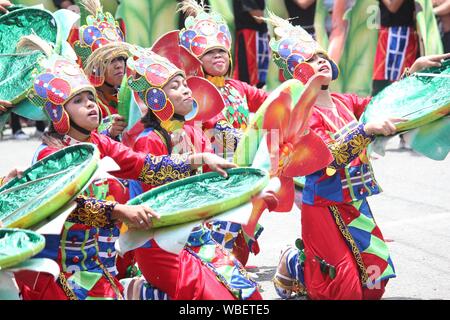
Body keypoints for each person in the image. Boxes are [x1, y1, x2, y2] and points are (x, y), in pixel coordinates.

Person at [13, 38, 234, 300]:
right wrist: (119, 211)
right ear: (58, 111)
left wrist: (198, 160)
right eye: (79, 101)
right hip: (57, 274)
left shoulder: (98, 142)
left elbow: (143, 166)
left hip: (95, 267)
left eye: (90, 98)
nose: (91, 105)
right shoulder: (49, 155)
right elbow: (68, 206)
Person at [265, 12, 450, 300]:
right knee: (344, 289)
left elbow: (385, 104)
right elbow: (327, 157)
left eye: (323, 56)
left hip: (356, 201)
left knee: (375, 281)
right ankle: (295, 263)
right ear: (298, 72)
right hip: (323, 206)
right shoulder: (303, 118)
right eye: (312, 60)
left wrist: (412, 74)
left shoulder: (344, 102)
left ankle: (297, 264)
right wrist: (364, 131)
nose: (322, 61)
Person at [178, 0, 270, 265]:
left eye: (222, 52)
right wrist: (252, 143)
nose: (218, 56)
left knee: (240, 227)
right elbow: (213, 129)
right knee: (218, 229)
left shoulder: (237, 87)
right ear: (198, 60)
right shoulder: (193, 90)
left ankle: (232, 271)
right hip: (212, 171)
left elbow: (269, 102)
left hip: (242, 166)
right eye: (210, 53)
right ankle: (218, 272)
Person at [232, 0, 269, 89]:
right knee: (247, 80)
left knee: (260, 81)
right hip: (249, 35)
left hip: (258, 34)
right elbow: (258, 17)